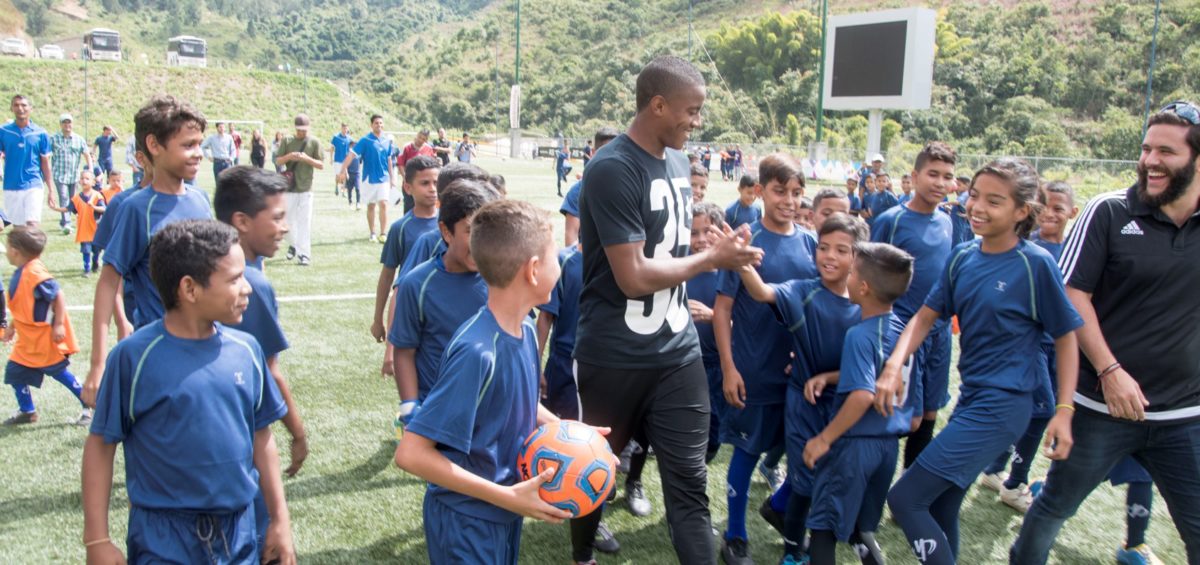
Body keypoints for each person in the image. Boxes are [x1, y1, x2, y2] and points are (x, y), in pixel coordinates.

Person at [571, 55, 763, 565]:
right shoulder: (611, 167)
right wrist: (711, 259)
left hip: (676, 352)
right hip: (615, 355)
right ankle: (583, 554)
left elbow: (675, 252)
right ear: (658, 105)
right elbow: (632, 276)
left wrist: (721, 248)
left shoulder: (678, 162)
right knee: (597, 472)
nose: (696, 122)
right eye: (690, 110)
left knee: (689, 485)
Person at [1011, 101, 1200, 564]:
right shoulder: (1109, 212)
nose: (1151, 161)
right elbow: (1072, 296)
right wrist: (1111, 371)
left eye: (1166, 152)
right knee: (1054, 508)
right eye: (1146, 149)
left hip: (1184, 416)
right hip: (1099, 409)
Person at [878, 158, 1082, 565]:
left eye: (995, 201)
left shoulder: (1035, 263)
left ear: (1022, 211)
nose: (978, 208)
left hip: (1005, 405)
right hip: (971, 400)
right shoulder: (963, 256)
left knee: (905, 499)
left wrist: (1064, 410)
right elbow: (925, 315)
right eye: (974, 196)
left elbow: (1066, 337)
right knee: (941, 506)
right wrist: (893, 364)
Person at [81, 220, 296, 565]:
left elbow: (262, 436)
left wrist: (280, 520)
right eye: (234, 279)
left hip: (240, 531)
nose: (247, 289)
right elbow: (101, 444)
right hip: (162, 539)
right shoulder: (133, 357)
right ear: (190, 289)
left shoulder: (247, 350)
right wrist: (97, 540)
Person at [394, 199, 583, 565]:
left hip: (501, 510)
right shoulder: (476, 352)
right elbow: (412, 453)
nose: (560, 265)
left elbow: (519, 403)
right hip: (466, 519)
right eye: (553, 258)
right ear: (532, 270)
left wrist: (570, 432)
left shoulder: (526, 330)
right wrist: (506, 497)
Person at [735, 213, 868, 563]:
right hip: (804, 406)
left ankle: (815, 531)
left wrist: (832, 378)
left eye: (842, 250)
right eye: (824, 247)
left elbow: (877, 361)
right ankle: (793, 553)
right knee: (805, 482)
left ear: (859, 257)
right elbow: (762, 291)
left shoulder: (866, 302)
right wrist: (741, 262)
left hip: (844, 407)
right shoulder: (803, 292)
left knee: (830, 478)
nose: (829, 256)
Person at [82, 95, 213, 408]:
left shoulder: (201, 200)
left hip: (204, 343)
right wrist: (98, 363)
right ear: (154, 145)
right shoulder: (136, 208)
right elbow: (108, 281)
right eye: (188, 145)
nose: (198, 154)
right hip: (158, 350)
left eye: (200, 144)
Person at [715, 155, 814, 564]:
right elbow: (722, 309)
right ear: (760, 192)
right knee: (747, 450)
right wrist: (729, 367)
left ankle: (778, 506)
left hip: (801, 373)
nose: (789, 201)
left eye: (796, 193)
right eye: (780, 191)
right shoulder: (744, 240)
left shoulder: (810, 242)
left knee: (808, 450)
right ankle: (734, 535)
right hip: (754, 369)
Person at [802, 241, 920, 565]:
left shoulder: (859, 334)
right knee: (861, 530)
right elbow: (915, 416)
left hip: (853, 449)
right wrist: (829, 377)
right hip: (887, 450)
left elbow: (863, 393)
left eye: (852, 272)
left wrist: (824, 439)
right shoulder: (906, 335)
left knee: (823, 529)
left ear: (864, 288)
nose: (848, 277)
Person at [215, 167, 309, 521]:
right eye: (277, 217)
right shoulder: (251, 284)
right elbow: (270, 371)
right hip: (241, 441)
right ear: (241, 221)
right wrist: (298, 433)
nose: (284, 227)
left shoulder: (209, 267)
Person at [981, 180, 1080, 511]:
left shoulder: (1075, 250)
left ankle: (995, 468)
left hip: (1060, 346)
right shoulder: (1027, 249)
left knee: (1036, 410)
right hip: (1032, 343)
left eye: (1058, 208)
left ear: (1073, 213)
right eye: (1045, 207)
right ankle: (1014, 483)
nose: (1050, 214)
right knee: (1042, 411)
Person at [870, 142, 958, 470]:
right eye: (932, 174)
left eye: (946, 176)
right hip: (903, 330)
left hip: (940, 331)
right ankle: (868, 482)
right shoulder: (892, 220)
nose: (940, 182)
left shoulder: (949, 221)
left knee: (931, 411)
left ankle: (908, 491)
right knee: (907, 417)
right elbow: (867, 272)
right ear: (915, 176)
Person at [389, 180, 499, 437]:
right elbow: (404, 350)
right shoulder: (417, 284)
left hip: (493, 409)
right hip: (440, 414)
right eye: (472, 231)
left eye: (490, 232)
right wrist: (409, 407)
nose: (481, 242)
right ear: (446, 232)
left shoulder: (502, 277)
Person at [1, 226, 88, 426]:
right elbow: (25, 305)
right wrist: (13, 326)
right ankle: (27, 410)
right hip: (27, 340)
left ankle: (89, 403)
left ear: (15, 250)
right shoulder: (22, 271)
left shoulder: (35, 272)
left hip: (44, 340)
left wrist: (59, 325)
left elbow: (58, 295)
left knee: (59, 373)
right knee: (15, 372)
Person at [373, 155, 441, 375]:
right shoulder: (400, 228)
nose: (432, 189)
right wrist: (378, 320)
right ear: (407, 187)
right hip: (410, 312)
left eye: (436, 183)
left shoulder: (451, 225)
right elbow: (389, 277)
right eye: (425, 183)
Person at [687, 202, 726, 464]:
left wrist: (714, 316)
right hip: (685, 360)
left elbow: (747, 328)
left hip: (718, 364)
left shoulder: (730, 276)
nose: (701, 240)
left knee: (715, 420)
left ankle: (707, 453)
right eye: (693, 233)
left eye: (707, 232)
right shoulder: (680, 271)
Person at [275, 114, 324, 267]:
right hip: (290, 187)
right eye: (300, 130)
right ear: (295, 128)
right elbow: (278, 160)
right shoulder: (287, 141)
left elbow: (321, 165)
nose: (303, 133)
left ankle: (304, 254)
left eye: (305, 130)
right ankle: (294, 245)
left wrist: (306, 159)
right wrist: (290, 156)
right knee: (286, 223)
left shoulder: (314, 142)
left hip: (306, 188)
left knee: (304, 222)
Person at [0, 95, 56, 227]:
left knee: (32, 224)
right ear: (12, 108)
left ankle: (33, 248)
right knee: (18, 228)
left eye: (24, 105)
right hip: (11, 185)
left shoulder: (40, 133)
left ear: (30, 108)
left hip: (33, 184)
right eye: (16, 105)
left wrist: (51, 190)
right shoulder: (4, 131)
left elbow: (45, 162)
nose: (20, 108)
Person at [338, 115, 394, 243]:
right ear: (371, 125)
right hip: (369, 178)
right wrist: (342, 170)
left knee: (384, 204)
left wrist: (392, 178)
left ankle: (383, 233)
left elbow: (389, 160)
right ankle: (372, 233)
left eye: (380, 123)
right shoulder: (365, 140)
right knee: (371, 206)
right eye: (376, 123)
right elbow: (351, 154)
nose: (378, 125)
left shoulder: (387, 141)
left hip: (384, 178)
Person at [560, 127, 619, 248]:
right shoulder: (578, 191)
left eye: (617, 152)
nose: (612, 158)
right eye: (606, 152)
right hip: (591, 262)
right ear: (593, 152)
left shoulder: (632, 187)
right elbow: (571, 238)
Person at [47, 169, 105, 275]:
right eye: (82, 178)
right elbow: (68, 209)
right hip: (84, 230)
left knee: (96, 250)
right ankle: (87, 269)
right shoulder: (77, 198)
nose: (84, 180)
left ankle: (95, 262)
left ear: (93, 182)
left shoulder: (97, 196)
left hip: (96, 230)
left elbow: (104, 209)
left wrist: (94, 207)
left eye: (87, 178)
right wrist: (55, 208)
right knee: (86, 251)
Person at [50, 113, 93, 233]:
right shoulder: (54, 139)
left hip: (74, 176)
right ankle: (67, 223)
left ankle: (65, 221)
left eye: (69, 122)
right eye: (64, 122)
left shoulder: (79, 139)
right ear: (60, 124)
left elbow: (87, 155)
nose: (67, 125)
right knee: (64, 198)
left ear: (72, 124)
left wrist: (90, 170)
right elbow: (46, 155)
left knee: (73, 199)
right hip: (59, 175)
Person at [397, 129, 435, 213]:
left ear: (426, 140)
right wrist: (405, 177)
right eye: (419, 137)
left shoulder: (428, 149)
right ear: (417, 135)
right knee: (409, 207)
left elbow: (432, 165)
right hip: (409, 183)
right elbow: (400, 164)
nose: (420, 140)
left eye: (423, 139)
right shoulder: (407, 147)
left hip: (423, 184)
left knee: (422, 207)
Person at [330, 122, 352, 194]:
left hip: (345, 160)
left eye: (346, 128)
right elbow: (332, 148)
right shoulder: (336, 137)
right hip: (337, 159)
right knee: (338, 175)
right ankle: (336, 186)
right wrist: (331, 158)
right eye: (344, 128)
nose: (345, 130)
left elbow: (351, 149)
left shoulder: (349, 139)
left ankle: (343, 190)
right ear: (341, 128)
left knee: (345, 175)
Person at [344, 138, 361, 210]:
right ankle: (350, 202)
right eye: (353, 146)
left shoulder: (358, 155)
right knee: (350, 189)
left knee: (358, 189)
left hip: (356, 174)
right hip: (349, 174)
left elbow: (360, 163)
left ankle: (358, 203)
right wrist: (346, 173)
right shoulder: (347, 155)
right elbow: (344, 165)